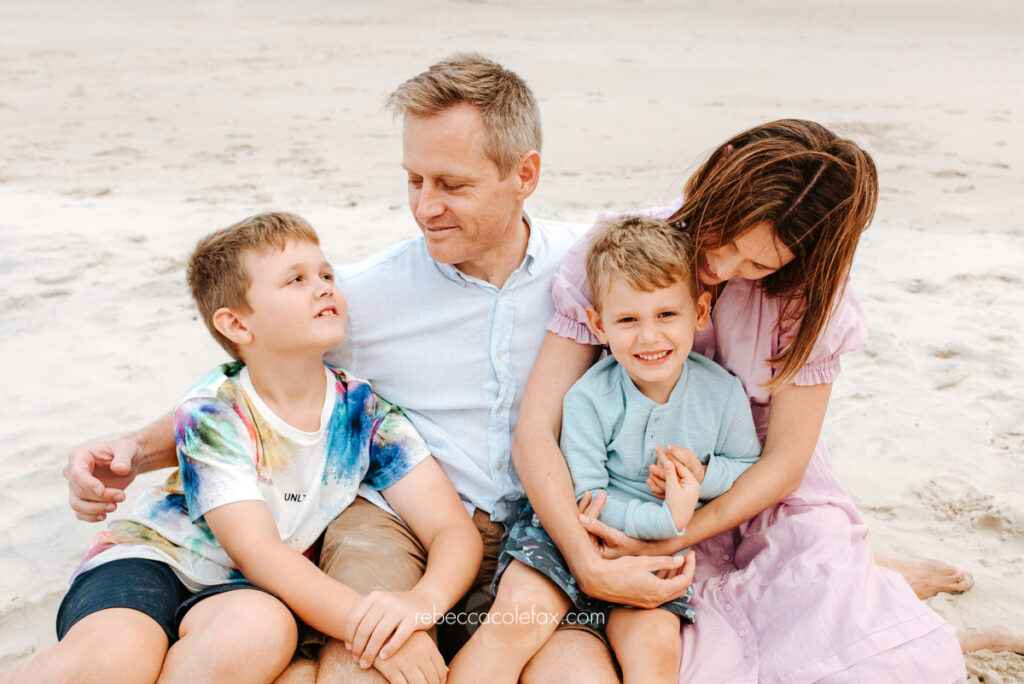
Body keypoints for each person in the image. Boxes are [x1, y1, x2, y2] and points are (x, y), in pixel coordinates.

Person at [60, 54, 693, 683]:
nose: (425, 207)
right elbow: (247, 396)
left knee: (574, 674)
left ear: (524, 174)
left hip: (542, 535)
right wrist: (129, 454)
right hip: (396, 521)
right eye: (413, 180)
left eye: (452, 184)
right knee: (367, 662)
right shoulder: (356, 299)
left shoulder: (594, 273)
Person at [511, 119, 974, 682]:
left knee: (855, 632)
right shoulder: (623, 257)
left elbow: (783, 464)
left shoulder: (810, 298)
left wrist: (671, 537)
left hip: (751, 489)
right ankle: (873, 573)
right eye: (725, 240)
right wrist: (589, 560)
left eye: (759, 264)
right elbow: (537, 428)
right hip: (633, 482)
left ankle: (877, 580)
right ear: (719, 174)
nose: (723, 269)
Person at [2, 213, 481, 684]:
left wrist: (423, 605)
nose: (323, 287)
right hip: (153, 562)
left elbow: (449, 528)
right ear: (236, 325)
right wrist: (367, 627)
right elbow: (260, 551)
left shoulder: (366, 414)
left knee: (260, 631)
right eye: (295, 280)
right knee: (117, 659)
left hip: (241, 593)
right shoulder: (214, 410)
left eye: (326, 274)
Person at [449, 214, 761, 683]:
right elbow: (587, 499)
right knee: (515, 622)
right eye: (628, 320)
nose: (649, 336)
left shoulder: (723, 394)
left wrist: (701, 476)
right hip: (566, 539)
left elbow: (745, 463)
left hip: (653, 557)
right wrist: (665, 519)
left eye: (666, 315)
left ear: (700, 312)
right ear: (598, 324)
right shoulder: (589, 397)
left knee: (655, 647)